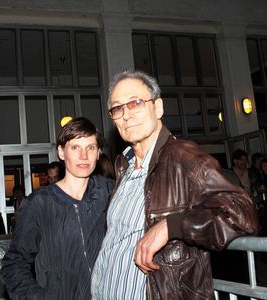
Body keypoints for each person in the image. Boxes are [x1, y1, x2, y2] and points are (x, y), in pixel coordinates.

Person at [91, 70, 259, 299]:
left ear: (158, 108)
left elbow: (242, 213)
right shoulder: (124, 167)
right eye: (118, 108)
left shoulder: (182, 156)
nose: (126, 115)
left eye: (136, 103)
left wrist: (172, 225)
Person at [1, 117, 114, 299]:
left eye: (90, 147)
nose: (83, 156)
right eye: (75, 147)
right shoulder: (39, 203)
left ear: (99, 153)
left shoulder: (110, 192)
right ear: (61, 152)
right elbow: (14, 263)